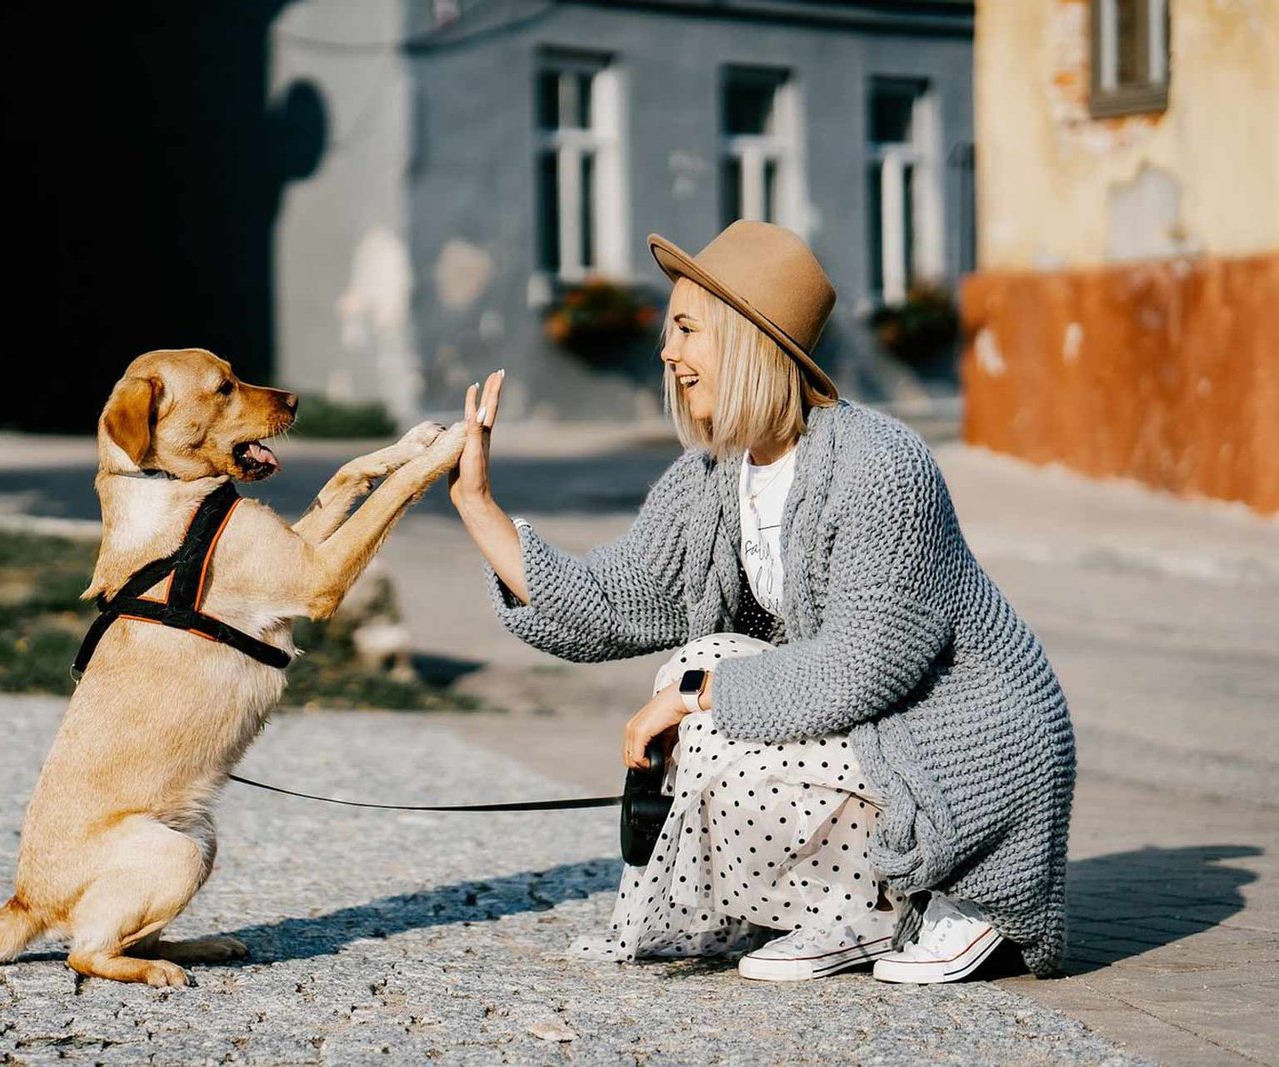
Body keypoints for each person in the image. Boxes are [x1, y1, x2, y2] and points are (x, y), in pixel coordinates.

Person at [447, 221, 1074, 983]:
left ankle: (947, 895)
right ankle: (847, 909)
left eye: (687, 329)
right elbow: (612, 601)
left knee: (703, 692)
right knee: (700, 664)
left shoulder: (881, 464)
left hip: (965, 744)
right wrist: (478, 504)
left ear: (749, 339)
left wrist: (694, 695)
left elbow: (862, 666)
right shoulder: (713, 475)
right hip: (871, 728)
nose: (667, 351)